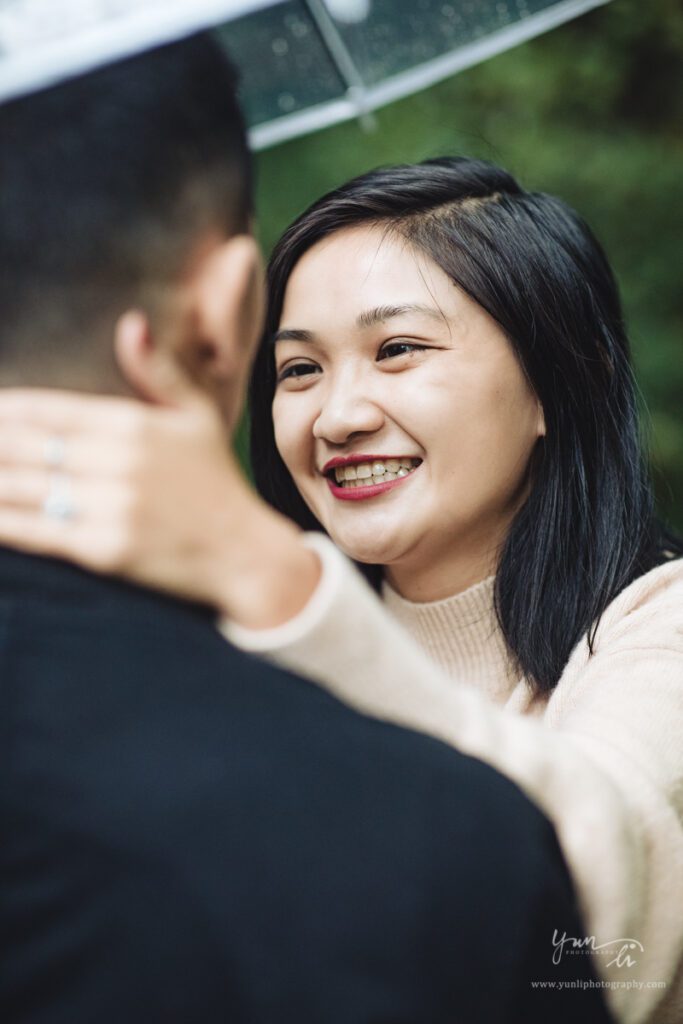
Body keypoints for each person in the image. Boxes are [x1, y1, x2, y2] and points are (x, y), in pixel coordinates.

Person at [0, 28, 615, 1024]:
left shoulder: (653, 643)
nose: (337, 415)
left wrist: (268, 569)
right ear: (227, 316)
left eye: (399, 349)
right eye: (295, 368)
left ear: (562, 373)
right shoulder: (212, 674)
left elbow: (593, 911)